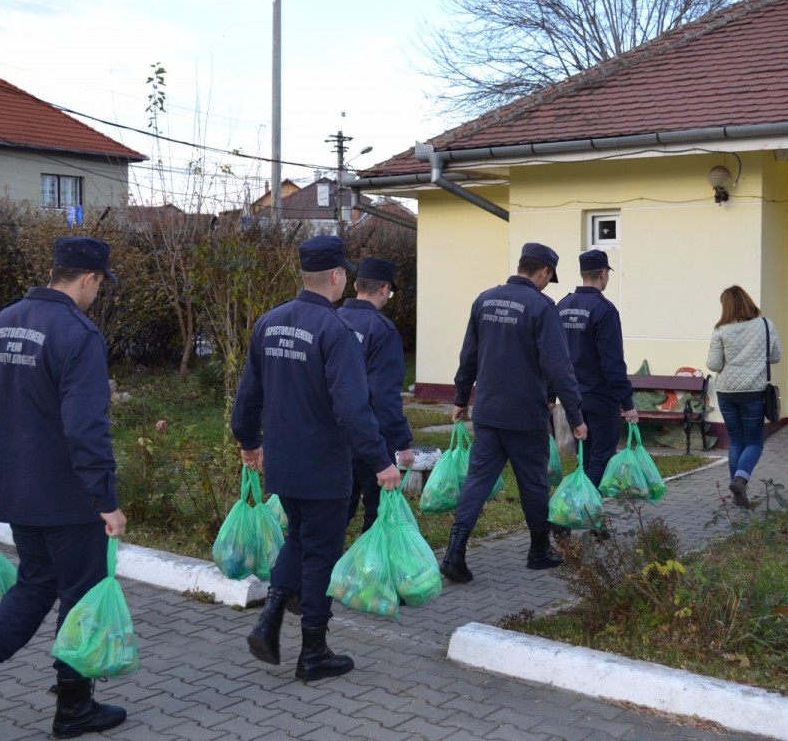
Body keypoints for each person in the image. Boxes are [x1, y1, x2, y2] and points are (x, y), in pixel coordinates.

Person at [0, 237, 128, 741]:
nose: (97, 294)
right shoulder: (78, 334)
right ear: (88, 279)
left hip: (20, 490)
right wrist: (105, 498)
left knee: (37, 584)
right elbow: (87, 425)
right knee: (79, 593)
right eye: (100, 284)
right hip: (69, 495)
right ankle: (73, 708)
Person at [231, 235, 401, 682]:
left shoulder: (269, 322)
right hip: (325, 463)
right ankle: (313, 653)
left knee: (299, 538)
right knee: (321, 551)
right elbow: (352, 407)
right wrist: (381, 461)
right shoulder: (335, 330)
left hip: (283, 461)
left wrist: (248, 442)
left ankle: (269, 620)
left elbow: (249, 393)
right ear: (336, 277)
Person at [441, 242, 588, 584]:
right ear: (544, 272)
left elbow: (469, 356)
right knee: (533, 482)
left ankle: (454, 552)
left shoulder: (485, 299)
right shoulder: (541, 306)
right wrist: (577, 416)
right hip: (525, 414)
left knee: (477, 481)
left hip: (488, 410)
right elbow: (559, 366)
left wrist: (462, 398)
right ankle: (539, 551)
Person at [557, 250, 638, 538]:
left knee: (585, 459)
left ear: (583, 273)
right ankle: (564, 515)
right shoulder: (604, 311)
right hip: (600, 400)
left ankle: (595, 521)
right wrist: (627, 403)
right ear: (603, 274)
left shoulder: (562, 306)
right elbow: (612, 362)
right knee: (600, 460)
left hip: (571, 399)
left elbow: (550, 356)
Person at [339, 257, 415, 533]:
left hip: (334, 436)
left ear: (357, 285)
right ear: (384, 289)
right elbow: (384, 396)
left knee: (336, 511)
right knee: (376, 512)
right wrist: (402, 443)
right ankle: (370, 570)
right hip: (371, 439)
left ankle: (322, 570)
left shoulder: (333, 319)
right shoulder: (382, 330)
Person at [705, 285, 782, 509]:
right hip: (753, 391)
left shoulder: (721, 330)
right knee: (755, 442)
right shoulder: (766, 325)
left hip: (727, 391)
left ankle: (738, 492)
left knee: (736, 441)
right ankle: (740, 480)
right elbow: (776, 357)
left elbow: (713, 364)